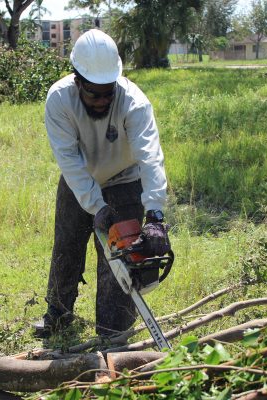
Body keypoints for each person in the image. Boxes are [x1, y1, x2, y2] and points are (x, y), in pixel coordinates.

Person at [34, 29, 171, 338]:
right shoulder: (59, 99)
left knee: (120, 257)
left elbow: (150, 156)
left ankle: (114, 332)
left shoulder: (133, 102)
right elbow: (68, 159)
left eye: (108, 91)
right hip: (79, 179)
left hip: (124, 179)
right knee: (66, 246)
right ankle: (57, 313)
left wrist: (155, 215)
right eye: (93, 93)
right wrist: (96, 206)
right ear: (77, 80)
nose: (102, 99)